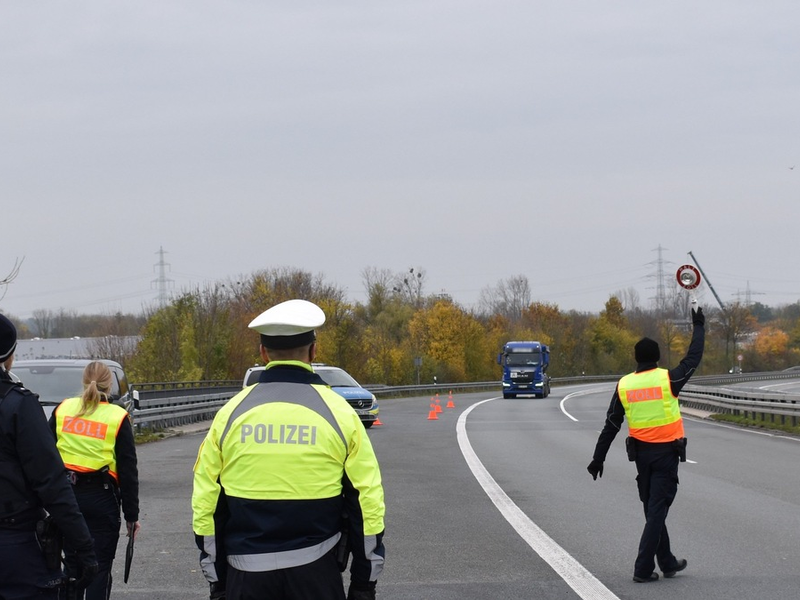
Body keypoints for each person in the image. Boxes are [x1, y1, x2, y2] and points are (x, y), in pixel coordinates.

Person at [193, 299, 386, 600]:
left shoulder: (228, 415)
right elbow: (366, 503)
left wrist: (217, 582)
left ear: (263, 353)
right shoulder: (341, 414)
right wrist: (364, 583)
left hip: (245, 577)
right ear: (313, 351)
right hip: (318, 576)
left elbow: (206, 504)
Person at [587, 307, 705, 583]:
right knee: (657, 509)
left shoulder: (624, 385)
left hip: (641, 456)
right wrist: (698, 325)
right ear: (657, 358)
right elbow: (694, 357)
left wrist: (598, 458)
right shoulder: (669, 379)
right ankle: (642, 568)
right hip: (666, 455)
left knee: (654, 508)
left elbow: (611, 424)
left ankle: (666, 561)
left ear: (636, 358)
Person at [0, 313, 98, 599]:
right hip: (15, 546)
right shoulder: (17, 406)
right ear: (9, 356)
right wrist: (84, 548)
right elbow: (52, 484)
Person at [50, 360, 140, 600]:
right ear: (109, 385)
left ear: (83, 381)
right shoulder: (117, 416)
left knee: (71, 566)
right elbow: (128, 470)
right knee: (100, 567)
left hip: (68, 499)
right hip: (102, 498)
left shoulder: (63, 410)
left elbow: (45, 457)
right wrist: (131, 516)